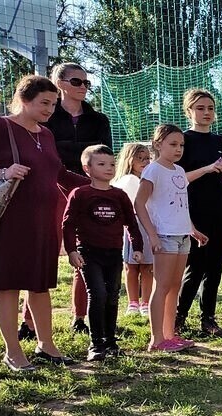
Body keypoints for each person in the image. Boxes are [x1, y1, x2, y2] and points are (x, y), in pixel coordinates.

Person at [0, 75, 88, 371]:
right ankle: (13, 352)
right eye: (44, 103)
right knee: (7, 286)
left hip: (44, 222)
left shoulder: (45, 134)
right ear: (23, 99)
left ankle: (46, 345)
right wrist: (2, 172)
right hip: (9, 221)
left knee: (40, 286)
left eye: (53, 103)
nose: (50, 109)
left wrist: (95, 187)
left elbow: (58, 173)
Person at [46, 62, 113, 335]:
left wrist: (66, 150)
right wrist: (80, 152)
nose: (83, 87)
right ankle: (28, 323)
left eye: (86, 82)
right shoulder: (47, 117)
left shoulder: (99, 120)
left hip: (89, 190)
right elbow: (48, 154)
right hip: (53, 187)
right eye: (77, 82)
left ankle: (80, 318)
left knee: (85, 254)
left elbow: (103, 154)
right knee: (47, 253)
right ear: (60, 83)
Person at [63, 145, 143, 361]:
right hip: (89, 252)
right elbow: (68, 224)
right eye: (101, 164)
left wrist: (137, 247)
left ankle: (110, 340)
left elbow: (132, 223)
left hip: (114, 253)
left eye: (111, 164)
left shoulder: (120, 195)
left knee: (112, 295)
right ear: (87, 168)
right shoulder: (80, 194)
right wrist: (71, 250)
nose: (108, 168)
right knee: (97, 294)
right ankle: (96, 343)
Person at [135, 124, 207, 353]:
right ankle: (156, 339)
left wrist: (192, 228)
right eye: (173, 144)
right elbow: (139, 204)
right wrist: (152, 234)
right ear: (158, 144)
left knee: (174, 286)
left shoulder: (177, 171)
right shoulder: (153, 170)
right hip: (164, 236)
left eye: (181, 145)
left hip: (182, 236)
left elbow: (179, 205)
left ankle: (169, 335)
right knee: (162, 286)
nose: (178, 149)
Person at [174, 89, 222, 337]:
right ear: (189, 111)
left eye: (210, 108)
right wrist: (208, 168)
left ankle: (208, 318)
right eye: (200, 108)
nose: (206, 113)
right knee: (196, 266)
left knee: (216, 266)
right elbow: (178, 179)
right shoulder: (183, 141)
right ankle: (179, 316)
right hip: (195, 212)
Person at [113, 142, 153, 316]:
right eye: (140, 158)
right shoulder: (127, 181)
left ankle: (146, 302)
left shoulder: (150, 179)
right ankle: (133, 302)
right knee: (131, 266)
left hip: (149, 225)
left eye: (147, 158)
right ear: (130, 160)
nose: (145, 162)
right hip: (132, 226)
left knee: (147, 266)